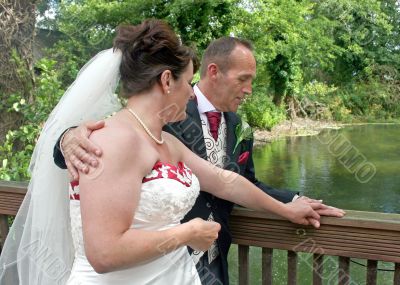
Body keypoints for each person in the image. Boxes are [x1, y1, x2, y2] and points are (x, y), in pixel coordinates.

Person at [52, 36, 345, 284]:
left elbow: (228, 182)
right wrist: (67, 138)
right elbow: (105, 252)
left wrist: (288, 207)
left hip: (192, 268)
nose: (191, 92)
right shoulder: (132, 129)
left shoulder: (173, 141)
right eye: (188, 82)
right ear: (167, 80)